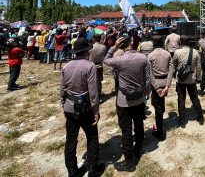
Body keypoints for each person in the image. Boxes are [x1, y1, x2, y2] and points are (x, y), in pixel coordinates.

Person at [103, 36, 150, 172]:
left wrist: (114, 47)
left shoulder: (120, 60)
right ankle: (139, 146)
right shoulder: (143, 58)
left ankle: (129, 161)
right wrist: (146, 93)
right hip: (139, 98)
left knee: (126, 129)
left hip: (124, 100)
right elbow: (147, 78)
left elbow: (105, 60)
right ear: (132, 44)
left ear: (122, 46)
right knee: (139, 122)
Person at [60, 38, 103, 177]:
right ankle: (92, 169)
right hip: (86, 108)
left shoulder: (66, 66)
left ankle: (72, 171)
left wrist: (63, 106)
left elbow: (62, 89)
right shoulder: (90, 66)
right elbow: (93, 91)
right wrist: (96, 110)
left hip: (70, 107)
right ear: (86, 51)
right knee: (92, 137)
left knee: (71, 140)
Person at [173, 35, 204, 128]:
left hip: (181, 79)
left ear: (180, 42)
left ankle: (182, 120)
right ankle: (200, 117)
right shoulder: (195, 52)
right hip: (191, 79)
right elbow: (198, 67)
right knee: (194, 98)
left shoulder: (177, 52)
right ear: (189, 42)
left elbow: (174, 63)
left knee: (181, 99)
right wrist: (199, 78)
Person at [148, 35, 174, 140]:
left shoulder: (150, 56)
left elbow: (149, 73)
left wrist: (156, 86)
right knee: (160, 103)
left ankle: (159, 131)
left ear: (153, 44)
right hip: (164, 82)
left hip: (156, 83)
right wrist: (167, 85)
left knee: (157, 106)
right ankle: (160, 123)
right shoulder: (167, 54)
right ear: (163, 42)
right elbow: (171, 70)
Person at [89, 34, 107, 100]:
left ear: (94, 39)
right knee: (99, 81)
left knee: (91, 81)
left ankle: (92, 95)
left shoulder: (90, 46)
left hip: (91, 65)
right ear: (100, 39)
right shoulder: (103, 47)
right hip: (99, 65)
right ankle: (99, 96)